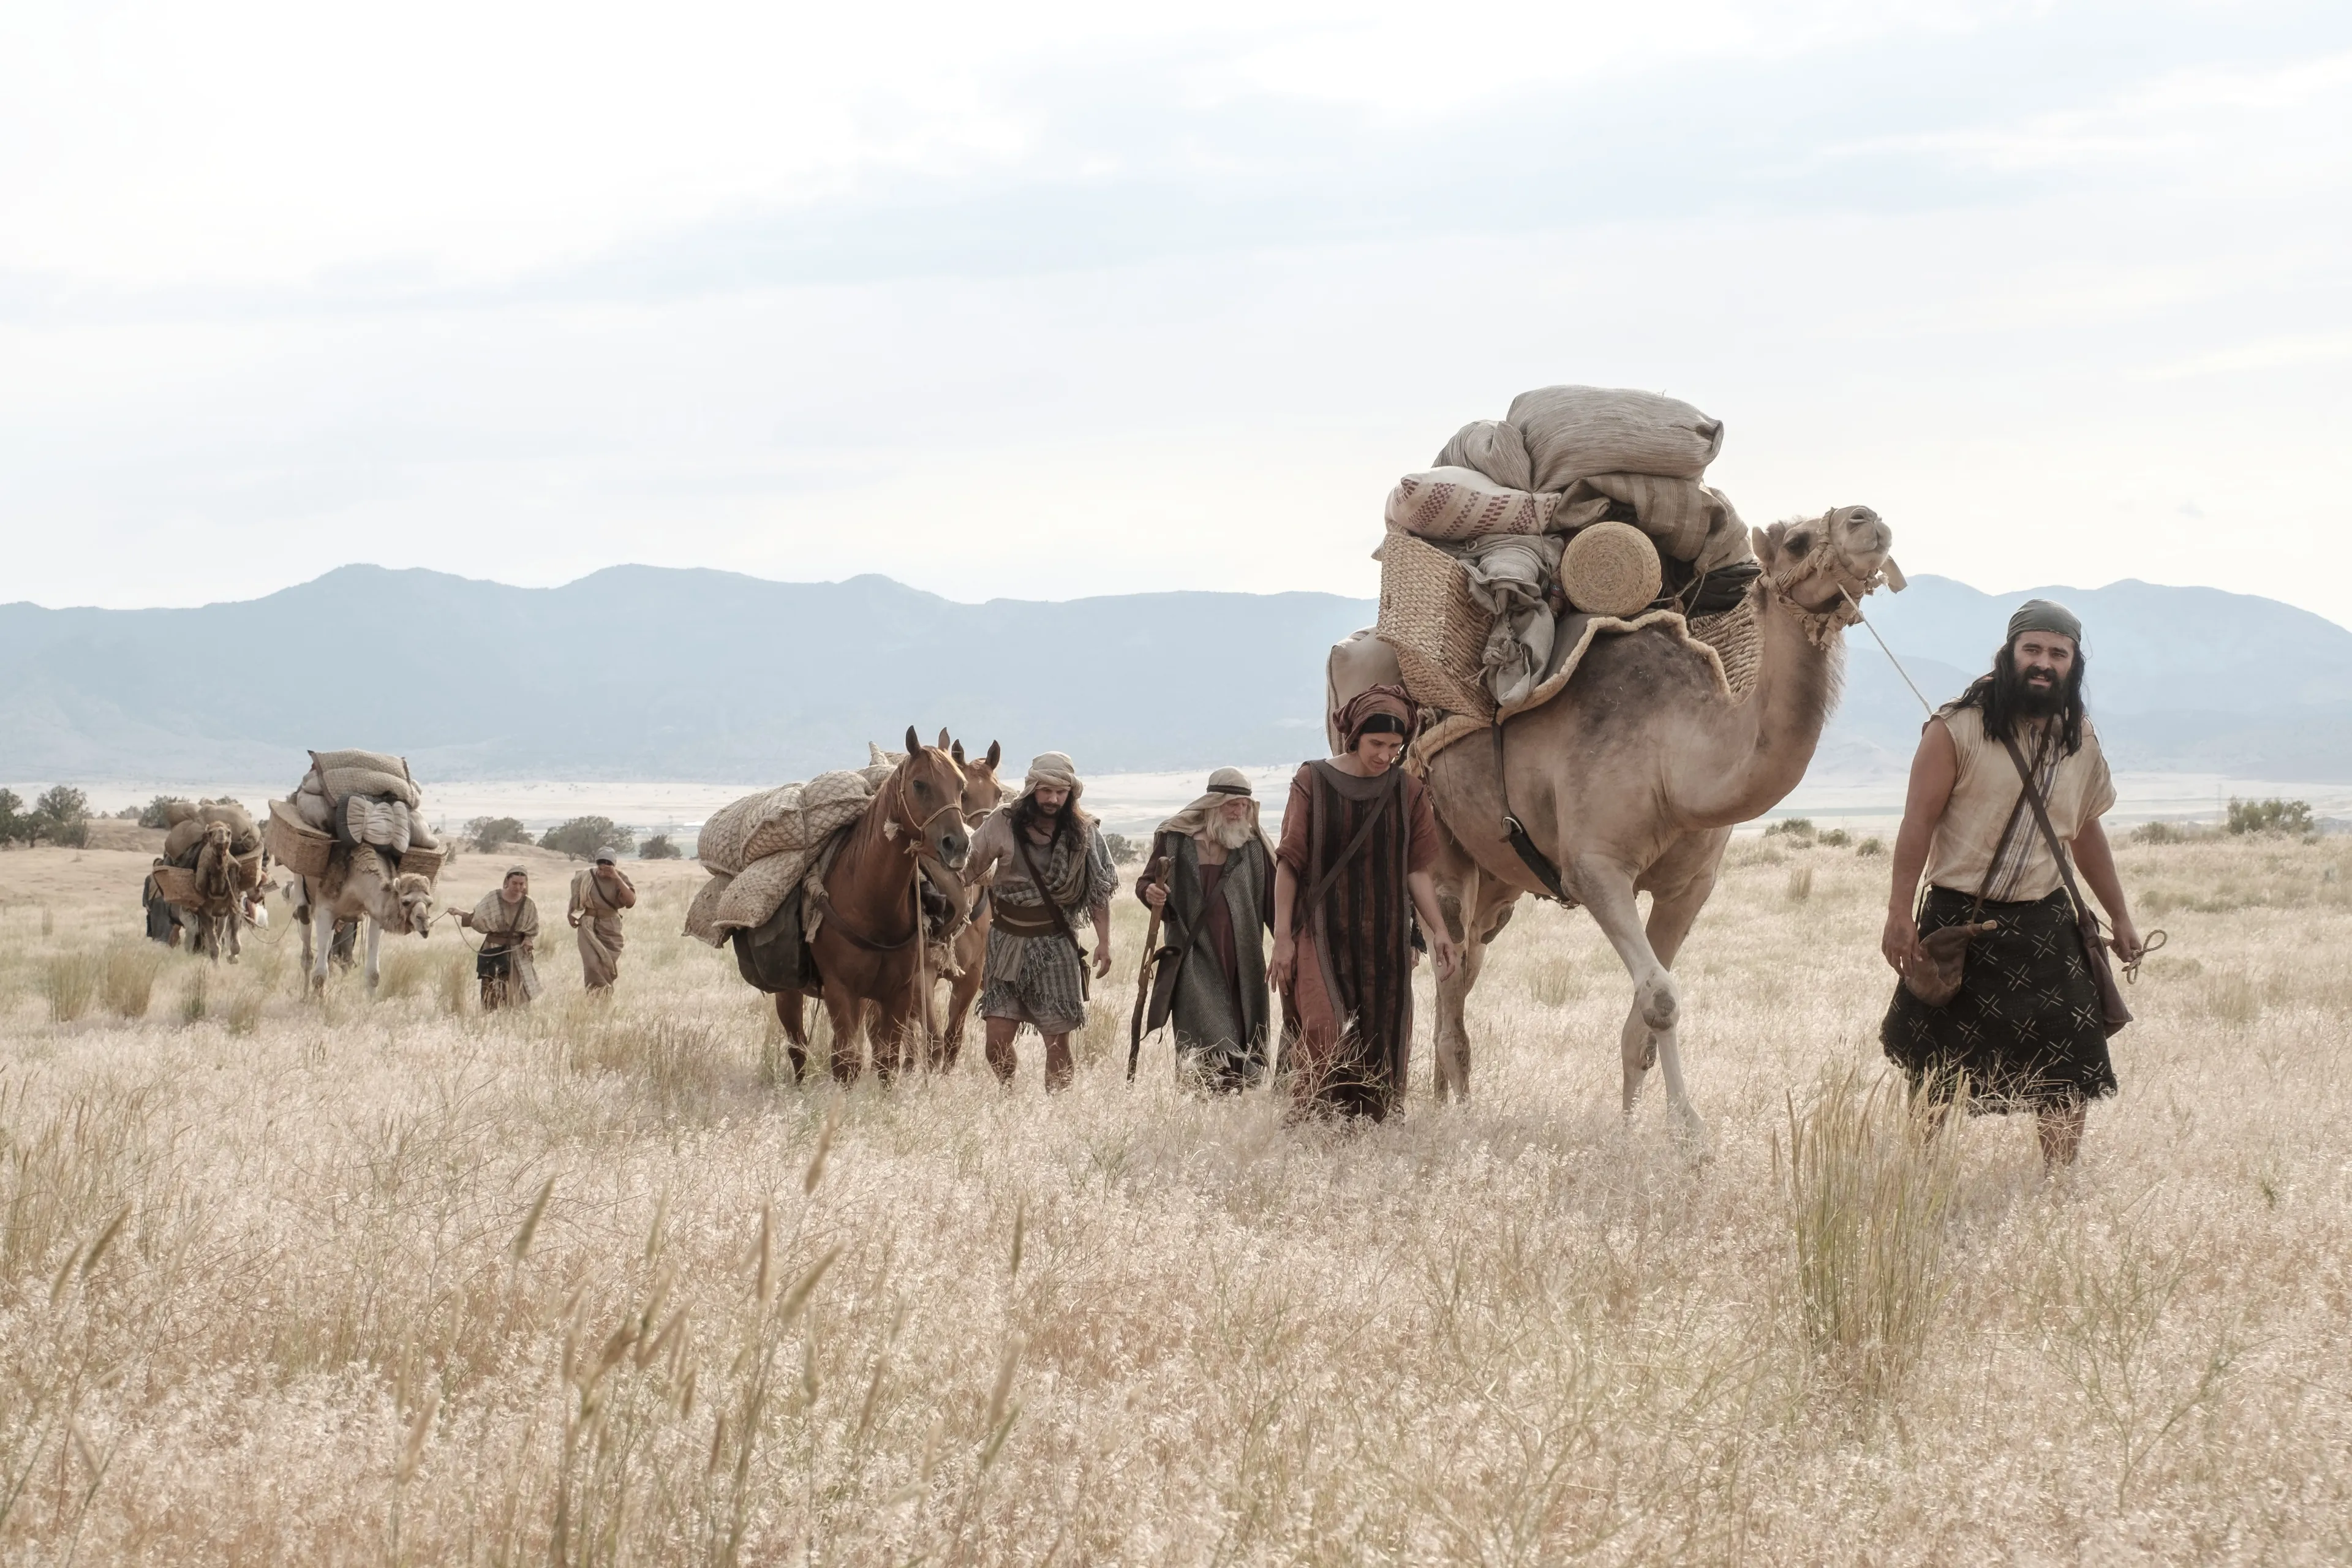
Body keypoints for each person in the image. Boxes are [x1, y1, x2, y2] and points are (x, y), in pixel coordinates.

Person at [1880, 599, 2145, 1167]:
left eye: (2058, 653)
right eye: (2033, 650)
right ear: (2010, 654)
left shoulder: (2081, 740)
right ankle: (1918, 1181)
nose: (2044, 663)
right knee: (1936, 1068)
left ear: (2074, 663)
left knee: (2069, 1071)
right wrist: (1899, 913)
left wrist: (2121, 917)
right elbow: (1917, 824)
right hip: (1957, 921)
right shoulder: (1955, 729)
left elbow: (2085, 831)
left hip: (2046, 921)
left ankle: (2058, 1186)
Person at [1270, 685, 1460, 1119]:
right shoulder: (1312, 781)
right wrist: (1282, 937)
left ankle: (1370, 1132)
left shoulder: (1409, 792)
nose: (1385, 755)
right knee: (1324, 1029)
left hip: (1385, 936)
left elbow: (1417, 871)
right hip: (1320, 930)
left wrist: (1439, 931)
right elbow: (1289, 862)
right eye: (1377, 744)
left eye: (1395, 746)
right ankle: (1307, 1126)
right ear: (1354, 736)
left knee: (1381, 1034)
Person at [962, 752, 1117, 1090]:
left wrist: (1104, 943)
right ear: (1032, 788)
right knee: (996, 1042)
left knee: (1057, 1042)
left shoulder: (1085, 833)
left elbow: (1099, 892)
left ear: (1071, 793)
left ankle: (1057, 1109)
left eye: (1061, 792)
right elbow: (967, 868)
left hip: (1057, 945)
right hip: (1006, 942)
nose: (1053, 799)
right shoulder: (1003, 822)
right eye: (1046, 791)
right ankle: (1008, 1092)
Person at [1136, 768, 1276, 1090]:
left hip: (1242, 956)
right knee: (1204, 1027)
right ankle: (1201, 1095)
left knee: (1243, 1024)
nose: (1239, 812)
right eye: (1232, 804)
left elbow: (1274, 903)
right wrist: (1150, 892)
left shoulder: (1253, 847)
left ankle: (1238, 1098)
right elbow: (1147, 882)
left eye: (1244, 805)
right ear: (1212, 804)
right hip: (1192, 952)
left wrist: (1287, 943)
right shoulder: (1175, 840)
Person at [453, 865, 542, 1011]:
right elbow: (478, 918)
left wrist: (528, 940)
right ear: (507, 881)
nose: (518, 887)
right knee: (492, 987)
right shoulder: (493, 898)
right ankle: (492, 1016)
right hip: (493, 950)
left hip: (517, 952)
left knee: (518, 989)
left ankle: (514, 1017)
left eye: (521, 884)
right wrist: (460, 913)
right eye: (515, 883)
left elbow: (532, 927)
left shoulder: (529, 903)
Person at [568, 846, 637, 993]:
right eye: (601, 862)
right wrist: (571, 913)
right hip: (588, 925)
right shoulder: (587, 876)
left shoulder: (621, 877)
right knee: (591, 963)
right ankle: (595, 994)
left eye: (608, 863)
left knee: (606, 963)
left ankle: (604, 997)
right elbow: (576, 895)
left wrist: (616, 878)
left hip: (610, 926)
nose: (604, 865)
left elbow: (631, 901)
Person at [142, 861, 180, 946]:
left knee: (168, 925)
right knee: (156, 926)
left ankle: (169, 943)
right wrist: (147, 905)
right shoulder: (149, 878)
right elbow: (146, 893)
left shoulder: (169, 877)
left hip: (167, 904)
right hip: (154, 905)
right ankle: (158, 944)